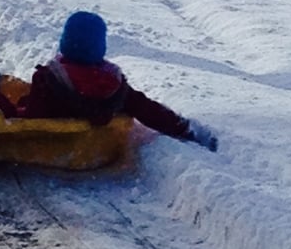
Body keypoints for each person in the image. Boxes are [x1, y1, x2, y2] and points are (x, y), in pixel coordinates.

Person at [18, 11, 218, 152]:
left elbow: (34, 119)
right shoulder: (112, 84)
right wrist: (181, 128)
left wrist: (19, 109)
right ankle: (188, 130)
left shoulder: (48, 78)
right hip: (96, 147)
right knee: (137, 102)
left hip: (54, 146)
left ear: (65, 42)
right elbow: (147, 109)